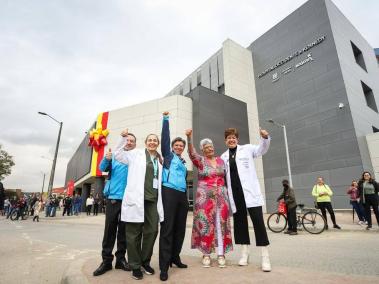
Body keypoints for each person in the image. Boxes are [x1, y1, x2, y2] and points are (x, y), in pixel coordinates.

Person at [115, 129, 164, 280]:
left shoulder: (160, 160)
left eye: (155, 140)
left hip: (153, 200)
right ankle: (135, 266)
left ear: (158, 144)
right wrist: (123, 138)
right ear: (145, 143)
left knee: (152, 231)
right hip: (136, 199)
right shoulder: (135, 154)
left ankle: (145, 261)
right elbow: (118, 154)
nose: (152, 142)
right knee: (133, 234)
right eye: (150, 140)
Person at [221, 127, 271, 271]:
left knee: (258, 223)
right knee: (240, 224)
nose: (231, 140)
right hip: (235, 196)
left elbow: (262, 150)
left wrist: (265, 138)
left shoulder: (248, 149)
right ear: (225, 141)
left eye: (233, 137)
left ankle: (265, 256)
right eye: (228, 138)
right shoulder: (223, 157)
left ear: (237, 139)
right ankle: (244, 253)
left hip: (250, 193)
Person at [186, 129, 233, 269]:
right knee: (206, 224)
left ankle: (221, 254)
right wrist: (189, 138)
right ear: (203, 150)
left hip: (221, 197)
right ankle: (206, 254)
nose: (209, 149)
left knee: (221, 224)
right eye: (206, 148)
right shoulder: (200, 160)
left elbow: (228, 177)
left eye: (210, 147)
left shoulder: (221, 160)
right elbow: (191, 153)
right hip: (205, 198)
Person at [93, 133, 137, 277]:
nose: (129, 142)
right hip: (113, 198)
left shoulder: (135, 159)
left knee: (123, 232)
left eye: (132, 141)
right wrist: (107, 158)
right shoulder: (116, 156)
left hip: (128, 200)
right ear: (123, 142)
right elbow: (102, 168)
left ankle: (120, 260)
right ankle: (106, 262)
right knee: (110, 231)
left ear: (135, 144)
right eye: (127, 140)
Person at [159, 112, 188, 281]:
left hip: (182, 196)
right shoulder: (168, 156)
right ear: (172, 147)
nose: (178, 147)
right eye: (176, 145)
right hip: (169, 192)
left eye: (180, 146)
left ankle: (175, 257)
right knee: (168, 229)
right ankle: (164, 267)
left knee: (180, 229)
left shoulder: (183, 162)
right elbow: (165, 138)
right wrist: (166, 120)